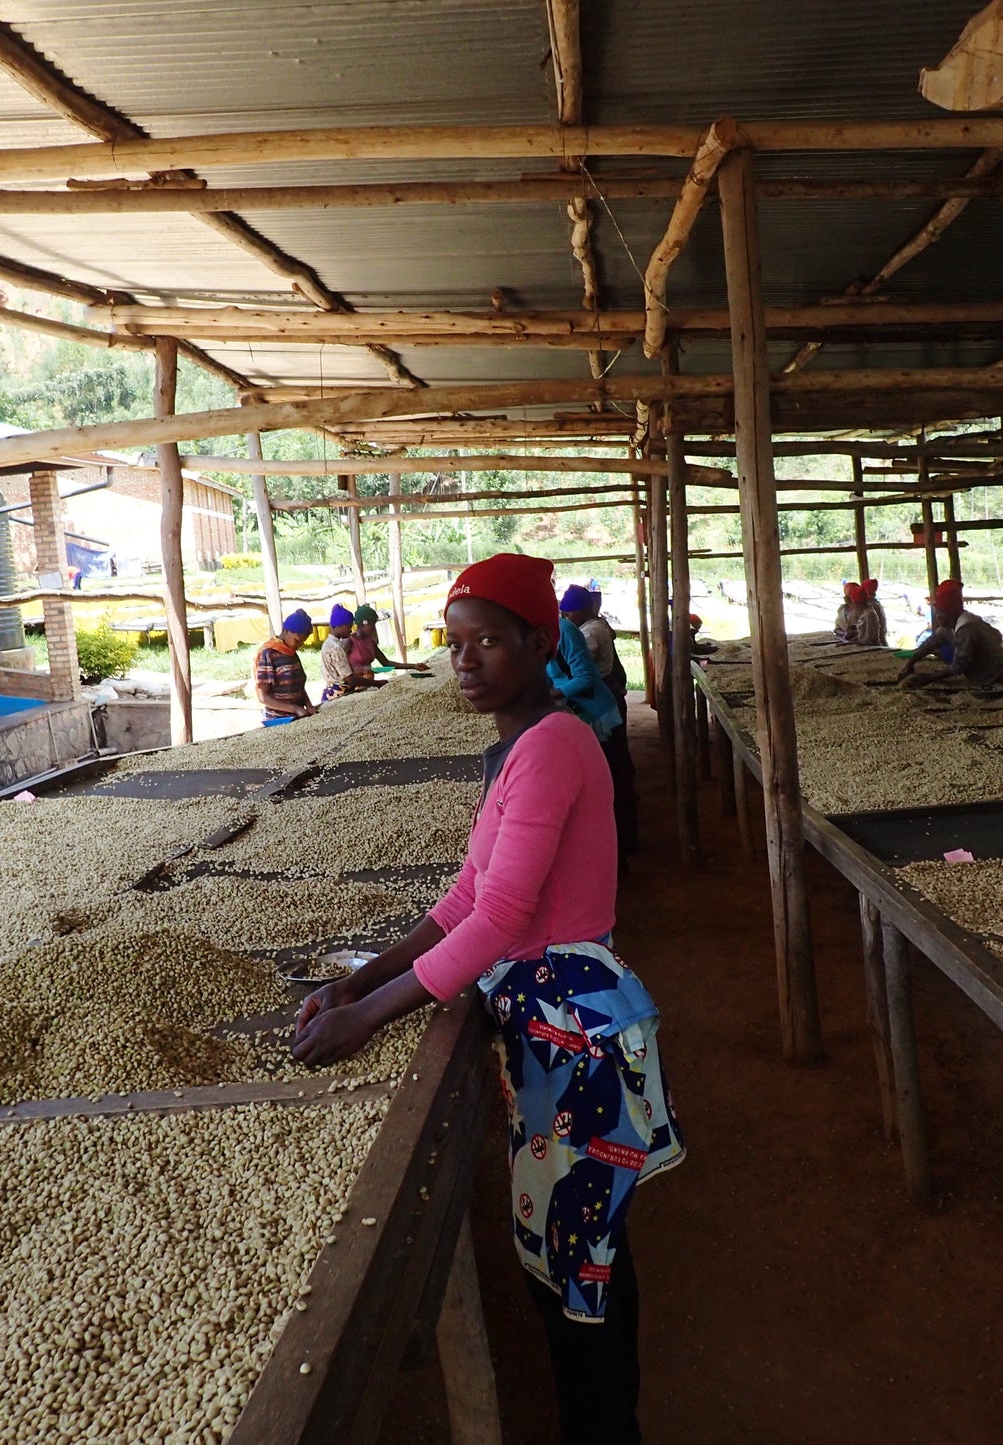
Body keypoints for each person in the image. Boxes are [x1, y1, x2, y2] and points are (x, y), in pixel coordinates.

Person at [292, 551, 683, 1445]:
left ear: (540, 643)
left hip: (572, 1033)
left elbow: (502, 915)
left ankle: (603, 1426)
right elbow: (466, 895)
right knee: (582, 1251)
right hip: (545, 1026)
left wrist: (367, 1017)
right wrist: (359, 977)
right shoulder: (516, 747)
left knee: (575, 1268)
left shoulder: (552, 744)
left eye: (489, 642)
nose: (465, 660)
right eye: (454, 642)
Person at [561, 584, 638, 858]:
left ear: (584, 610)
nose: (568, 617)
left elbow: (581, 669)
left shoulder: (589, 630)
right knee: (618, 766)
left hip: (602, 698)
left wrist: (557, 689)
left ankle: (624, 841)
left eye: (571, 613)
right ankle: (627, 837)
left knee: (613, 769)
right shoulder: (593, 625)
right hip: (605, 694)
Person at [897, 579, 1003, 691]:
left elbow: (959, 666)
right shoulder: (947, 627)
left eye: (941, 613)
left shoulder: (967, 627)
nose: (938, 617)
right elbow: (929, 644)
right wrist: (910, 663)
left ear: (951, 612)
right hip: (986, 679)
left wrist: (927, 678)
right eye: (937, 612)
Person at [548, 599, 623, 742]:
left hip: (597, 713)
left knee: (610, 761)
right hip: (576, 710)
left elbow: (585, 677)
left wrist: (550, 695)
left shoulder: (564, 630)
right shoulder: (533, 635)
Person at [253, 608, 316, 722]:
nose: (299, 645)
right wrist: (295, 709)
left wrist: (309, 705)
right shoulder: (268, 654)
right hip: (278, 718)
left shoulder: (291, 653)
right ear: (287, 631)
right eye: (297, 641)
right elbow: (263, 697)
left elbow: (299, 687)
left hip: (298, 715)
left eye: (302, 642)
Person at [348, 602, 427, 679]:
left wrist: (414, 666)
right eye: (372, 625)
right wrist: (359, 670)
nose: (374, 629)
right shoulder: (349, 641)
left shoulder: (370, 642)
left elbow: (386, 663)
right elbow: (341, 669)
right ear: (364, 623)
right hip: (354, 685)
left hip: (368, 683)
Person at [320, 602, 366, 702]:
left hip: (330, 691)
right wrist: (376, 683)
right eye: (349, 627)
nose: (350, 631)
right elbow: (349, 679)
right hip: (338, 695)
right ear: (340, 626)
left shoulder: (328, 643)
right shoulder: (335, 647)